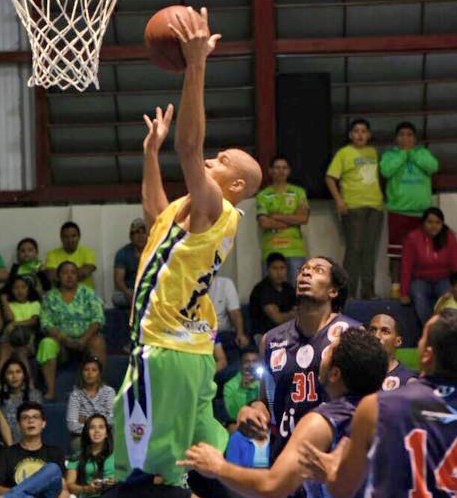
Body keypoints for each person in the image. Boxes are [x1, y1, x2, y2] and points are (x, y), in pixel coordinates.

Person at [112, 6, 263, 493]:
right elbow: (155, 213)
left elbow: (191, 148)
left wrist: (196, 65)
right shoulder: (194, 213)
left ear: (235, 184)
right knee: (204, 462)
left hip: (165, 350)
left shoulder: (217, 204)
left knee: (145, 472)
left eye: (224, 160)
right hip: (190, 353)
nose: (214, 158)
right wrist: (149, 155)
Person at [300, 310, 457, 498]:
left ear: (427, 355)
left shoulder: (376, 407)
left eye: (421, 338)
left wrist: (331, 471)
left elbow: (342, 488)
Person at [178, 327, 387, 498]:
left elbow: (272, 487)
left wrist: (218, 466)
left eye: (328, 352)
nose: (321, 355)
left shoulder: (322, 422)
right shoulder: (390, 414)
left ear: (334, 374)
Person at [237, 257, 359, 464]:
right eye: (303, 269)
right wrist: (253, 411)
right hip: (285, 458)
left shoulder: (352, 335)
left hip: (333, 460)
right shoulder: (270, 340)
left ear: (333, 291)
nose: (306, 273)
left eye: (318, 270)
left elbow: (368, 404)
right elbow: (266, 401)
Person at [325, 119, 383, 300]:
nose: (360, 135)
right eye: (356, 131)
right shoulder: (344, 153)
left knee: (369, 249)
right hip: (353, 206)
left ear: (369, 135)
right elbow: (330, 178)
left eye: (363, 131)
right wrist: (339, 200)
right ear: (350, 135)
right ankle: (347, 291)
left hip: (375, 206)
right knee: (354, 249)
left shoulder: (373, 152)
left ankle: (368, 291)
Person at [380, 122, 438, 298]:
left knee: (421, 252)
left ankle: (417, 287)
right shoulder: (390, 155)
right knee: (396, 253)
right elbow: (386, 171)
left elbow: (433, 167)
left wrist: (412, 153)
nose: (405, 138)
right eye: (401, 135)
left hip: (421, 213)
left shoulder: (422, 153)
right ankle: (396, 288)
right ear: (396, 139)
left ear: (415, 139)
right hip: (398, 211)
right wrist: (403, 154)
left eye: (409, 135)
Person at [36, 261, 106, 401]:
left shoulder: (88, 293)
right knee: (46, 343)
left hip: (85, 341)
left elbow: (98, 319)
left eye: (73, 273)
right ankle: (50, 391)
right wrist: (65, 340)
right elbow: (46, 323)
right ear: (58, 277)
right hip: (61, 343)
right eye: (65, 273)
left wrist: (84, 339)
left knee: (98, 341)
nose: (69, 276)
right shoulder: (50, 297)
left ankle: (98, 387)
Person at [0, 402, 66, 498]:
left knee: (53, 468)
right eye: (25, 418)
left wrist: (17, 494)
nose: (30, 421)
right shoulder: (7, 454)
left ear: (43, 423)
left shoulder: (55, 453)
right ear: (19, 425)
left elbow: (63, 488)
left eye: (35, 417)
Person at [401, 206, 457, 325]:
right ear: (423, 223)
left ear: (442, 224)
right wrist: (404, 293)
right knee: (419, 296)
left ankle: (445, 329)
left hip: (444, 279)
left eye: (438, 222)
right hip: (420, 280)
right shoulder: (413, 238)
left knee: (448, 298)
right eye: (430, 222)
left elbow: (456, 265)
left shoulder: (449, 236)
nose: (434, 226)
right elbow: (406, 267)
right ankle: (429, 328)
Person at [256, 156, 310, 285]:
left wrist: (276, 216)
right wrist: (292, 219)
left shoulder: (299, 192)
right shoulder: (263, 195)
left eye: (284, 168)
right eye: (277, 167)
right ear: (270, 171)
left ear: (289, 171)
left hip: (295, 249)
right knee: (271, 291)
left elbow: (303, 218)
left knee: (298, 290)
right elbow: (264, 223)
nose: (281, 171)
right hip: (271, 249)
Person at [0, 276, 41, 384]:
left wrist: (15, 324)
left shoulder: (34, 304)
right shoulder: (10, 305)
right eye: (16, 288)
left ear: (28, 289)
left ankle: (29, 385)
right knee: (4, 352)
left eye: (23, 287)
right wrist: (4, 301)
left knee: (21, 353)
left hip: (26, 339)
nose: (20, 291)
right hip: (9, 338)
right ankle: (0, 385)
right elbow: (9, 318)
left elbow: (33, 321)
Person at [67, 356, 115, 454]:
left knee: (114, 437)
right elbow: (72, 425)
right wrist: (97, 427)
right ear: (82, 373)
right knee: (77, 443)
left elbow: (112, 420)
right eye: (86, 370)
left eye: (94, 370)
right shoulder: (75, 395)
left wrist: (86, 420)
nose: (90, 373)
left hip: (106, 436)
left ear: (99, 374)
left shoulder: (109, 392)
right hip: (83, 437)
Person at [0, 359, 44, 447]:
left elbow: (35, 423)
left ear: (24, 375)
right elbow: (1, 423)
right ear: (4, 377)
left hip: (30, 442)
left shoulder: (35, 395)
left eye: (18, 372)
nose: (14, 376)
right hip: (4, 444)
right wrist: (12, 449)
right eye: (10, 373)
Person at [66, 414, 115, 498]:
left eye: (101, 427)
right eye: (92, 428)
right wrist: (87, 489)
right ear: (87, 433)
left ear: (107, 433)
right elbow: (69, 485)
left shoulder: (118, 454)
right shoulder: (77, 457)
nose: (97, 431)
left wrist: (116, 482)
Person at [249, 252, 296, 337]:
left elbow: (301, 312)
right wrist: (293, 314)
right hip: (264, 334)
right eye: (275, 268)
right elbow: (278, 319)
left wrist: (291, 314)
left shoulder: (288, 288)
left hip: (286, 332)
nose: (279, 272)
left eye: (282, 268)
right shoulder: (262, 289)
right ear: (268, 270)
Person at [368, 313, 417, 391]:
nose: (376, 336)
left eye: (385, 332)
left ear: (398, 341)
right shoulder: (355, 373)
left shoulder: (408, 381)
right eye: (372, 330)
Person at [45, 222, 97, 289]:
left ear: (79, 237)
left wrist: (63, 275)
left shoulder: (88, 252)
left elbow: (84, 273)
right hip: (60, 293)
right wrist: (76, 273)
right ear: (61, 238)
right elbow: (52, 276)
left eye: (74, 236)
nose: (70, 240)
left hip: (85, 293)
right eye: (66, 237)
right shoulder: (52, 254)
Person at [112, 218, 148, 309]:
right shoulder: (122, 253)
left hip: (148, 290)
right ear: (131, 237)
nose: (140, 236)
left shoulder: (154, 252)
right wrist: (128, 293)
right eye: (137, 233)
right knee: (116, 298)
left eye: (143, 232)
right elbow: (118, 281)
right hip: (129, 291)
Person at [222, 346, 261, 425]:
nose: (251, 365)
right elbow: (233, 414)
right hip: (240, 425)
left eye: (255, 361)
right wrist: (242, 389)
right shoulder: (229, 386)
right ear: (240, 364)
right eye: (247, 361)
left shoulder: (265, 381)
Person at [208, 276, 249, 349]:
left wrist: (240, 334)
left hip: (224, 333)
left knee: (246, 348)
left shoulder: (225, 283)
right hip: (202, 334)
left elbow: (235, 313)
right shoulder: (189, 286)